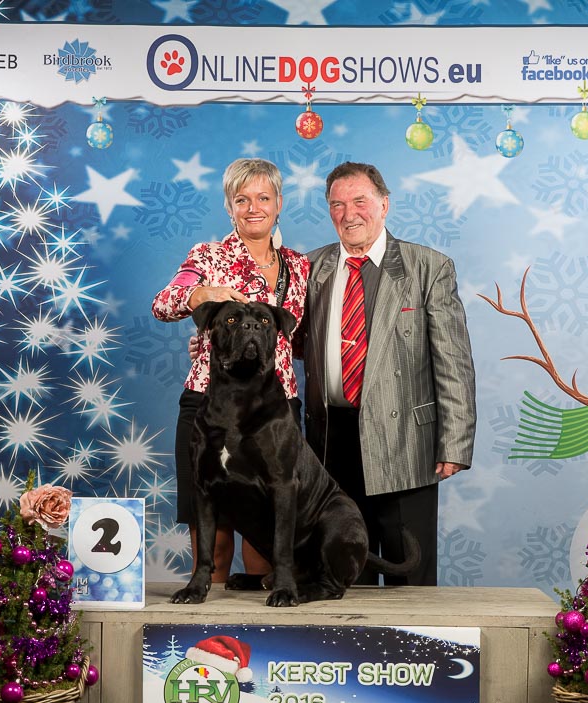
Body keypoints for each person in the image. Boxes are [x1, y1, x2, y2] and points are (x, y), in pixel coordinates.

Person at [300, 161, 476, 586]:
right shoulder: (310, 268)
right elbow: (285, 344)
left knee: (409, 575)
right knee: (344, 575)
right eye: (337, 205)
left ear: (384, 204)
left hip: (405, 442)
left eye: (359, 201)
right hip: (331, 441)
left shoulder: (428, 267)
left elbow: (453, 362)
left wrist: (455, 441)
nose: (349, 214)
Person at [152, 158, 309, 583]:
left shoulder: (300, 266)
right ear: (229, 207)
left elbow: (302, 338)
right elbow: (164, 303)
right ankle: (204, 614)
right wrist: (200, 294)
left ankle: (265, 621)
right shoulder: (207, 256)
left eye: (263, 198)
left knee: (264, 540)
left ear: (279, 203)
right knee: (215, 539)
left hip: (274, 410)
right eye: (242, 200)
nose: (253, 208)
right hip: (210, 405)